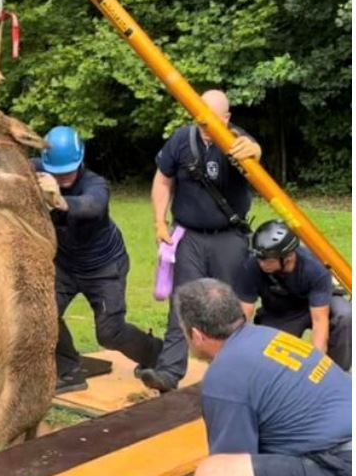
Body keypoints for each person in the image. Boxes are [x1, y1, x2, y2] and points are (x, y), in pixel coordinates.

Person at [162, 278, 350, 476]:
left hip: (343, 472)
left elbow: (226, 473)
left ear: (197, 335)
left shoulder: (224, 377)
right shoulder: (272, 337)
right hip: (342, 459)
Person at [143, 89, 262, 393]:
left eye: (212, 119)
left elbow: (255, 152)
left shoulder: (237, 140)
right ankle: (168, 373)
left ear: (226, 117)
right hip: (190, 236)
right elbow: (163, 179)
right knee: (182, 301)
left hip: (229, 237)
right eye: (200, 117)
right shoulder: (182, 139)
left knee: (231, 307)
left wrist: (254, 152)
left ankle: (234, 377)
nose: (205, 124)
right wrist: (160, 220)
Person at [33, 126, 164, 393]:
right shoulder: (38, 169)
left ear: (81, 159)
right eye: (57, 173)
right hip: (65, 266)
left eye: (69, 170)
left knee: (109, 332)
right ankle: (69, 371)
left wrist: (57, 198)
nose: (64, 176)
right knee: (42, 315)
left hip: (105, 267)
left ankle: (155, 354)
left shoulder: (96, 184)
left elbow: (92, 206)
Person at [235, 220, 351, 371]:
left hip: (318, 306)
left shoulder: (314, 269)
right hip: (281, 312)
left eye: (268, 260)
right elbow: (244, 312)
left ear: (288, 257)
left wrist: (317, 368)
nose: (262, 263)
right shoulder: (252, 266)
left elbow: (319, 321)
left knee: (346, 314)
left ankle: (336, 375)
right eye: (259, 258)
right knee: (267, 360)